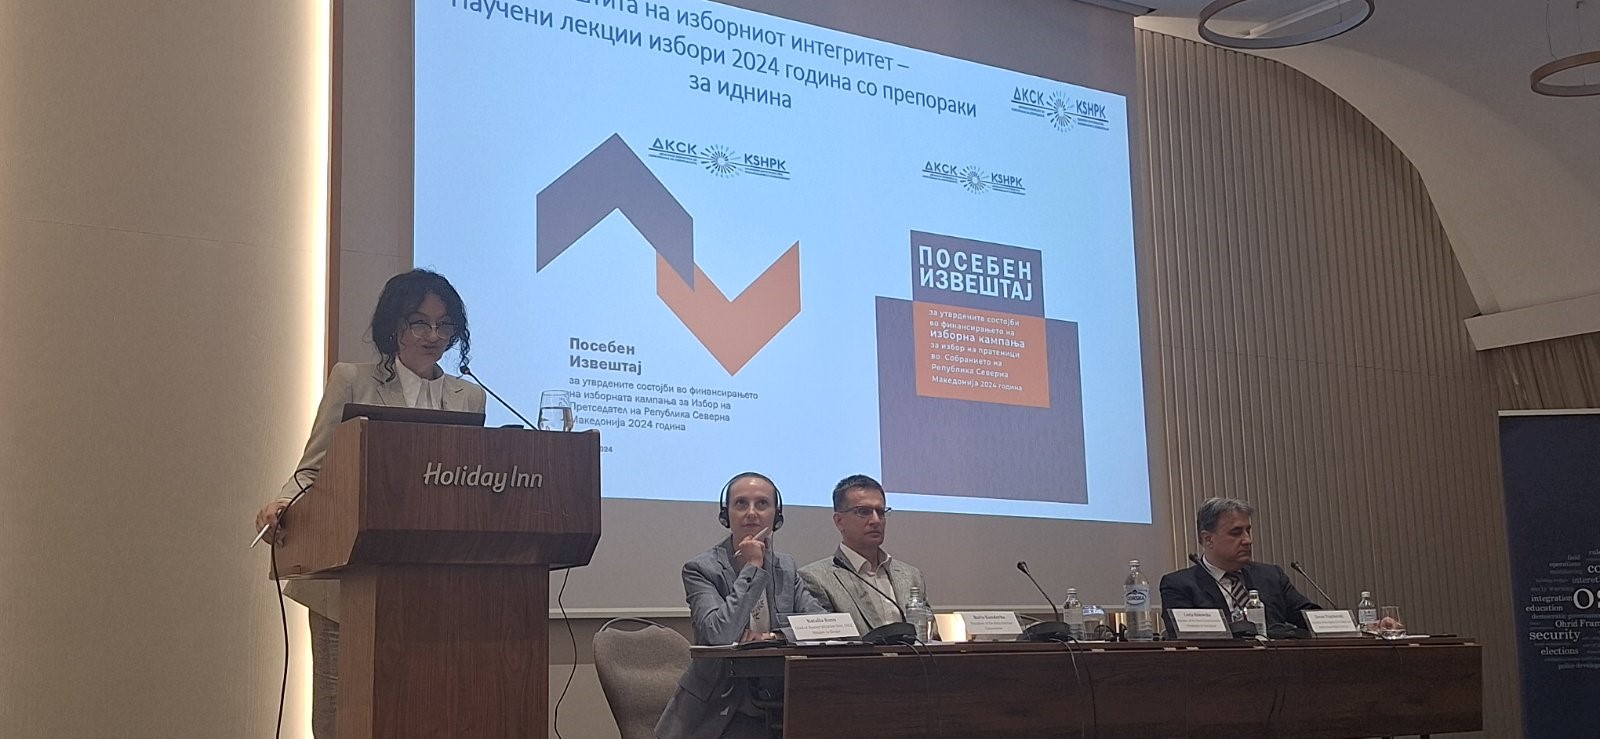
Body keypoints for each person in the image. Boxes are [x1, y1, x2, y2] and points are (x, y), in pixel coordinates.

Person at [252, 268, 486, 738]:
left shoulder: (469, 396)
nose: (433, 336)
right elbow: (313, 468)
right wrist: (283, 503)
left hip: (429, 587)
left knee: (416, 713)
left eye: (444, 325)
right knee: (341, 716)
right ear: (395, 327)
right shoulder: (353, 381)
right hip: (348, 580)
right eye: (420, 323)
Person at [656, 472, 825, 739]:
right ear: (726, 515)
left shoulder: (786, 567)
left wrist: (775, 636)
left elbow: (823, 626)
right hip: (721, 709)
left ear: (776, 516)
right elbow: (719, 635)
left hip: (780, 702)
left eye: (762, 504)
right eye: (741, 504)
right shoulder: (701, 569)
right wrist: (753, 567)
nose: (751, 513)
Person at [1159, 497, 1318, 635]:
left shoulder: (1271, 576)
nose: (1248, 540)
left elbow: (1310, 618)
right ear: (1208, 539)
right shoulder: (1179, 585)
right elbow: (1183, 636)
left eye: (1248, 531)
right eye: (1236, 533)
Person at [799, 474, 928, 636]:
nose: (876, 520)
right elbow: (829, 642)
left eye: (880, 512)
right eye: (863, 512)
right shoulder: (815, 578)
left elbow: (930, 634)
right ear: (839, 521)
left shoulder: (911, 575)